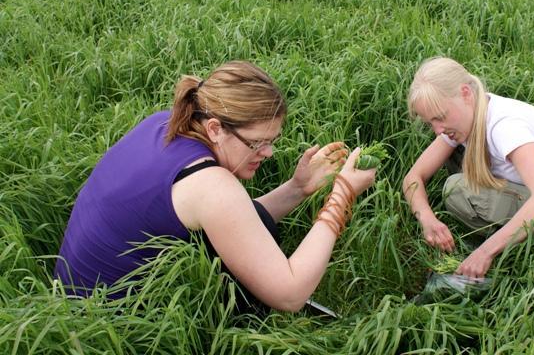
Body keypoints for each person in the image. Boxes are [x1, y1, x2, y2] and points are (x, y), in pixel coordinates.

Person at [55, 60, 376, 314]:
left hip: (72, 302)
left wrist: (297, 188)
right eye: (257, 143)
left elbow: (234, 219)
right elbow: (291, 295)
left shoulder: (164, 123)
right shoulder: (212, 186)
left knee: (258, 225)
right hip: (117, 329)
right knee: (259, 263)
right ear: (215, 128)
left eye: (272, 141)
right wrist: (342, 194)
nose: (268, 153)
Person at [403, 57, 534, 278]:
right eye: (430, 122)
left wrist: (485, 252)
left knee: (458, 190)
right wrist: (427, 219)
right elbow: (414, 177)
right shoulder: (468, 115)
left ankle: (510, 251)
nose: (437, 130)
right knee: (456, 159)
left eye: (440, 118)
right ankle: (510, 238)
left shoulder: (505, 127)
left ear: (465, 94)